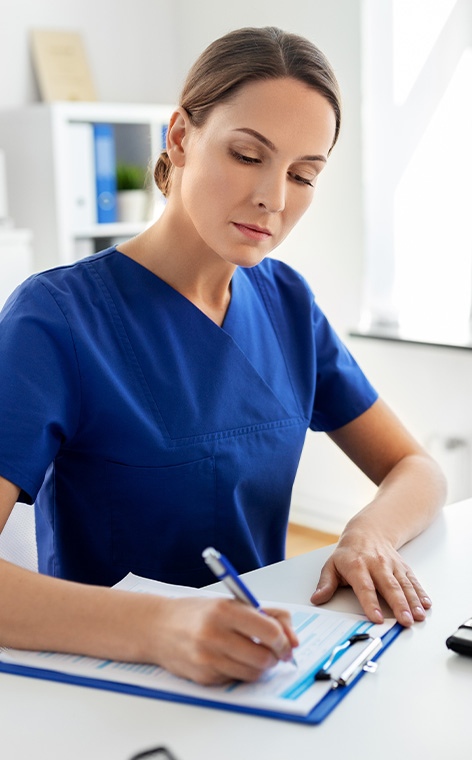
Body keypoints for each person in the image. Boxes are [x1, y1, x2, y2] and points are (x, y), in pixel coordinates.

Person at [0, 27, 446, 686]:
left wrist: (369, 534)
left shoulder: (286, 301)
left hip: (264, 673)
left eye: (303, 174)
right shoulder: (55, 318)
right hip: (113, 685)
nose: (275, 198)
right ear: (179, 137)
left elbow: (416, 469)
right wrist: (161, 628)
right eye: (246, 155)